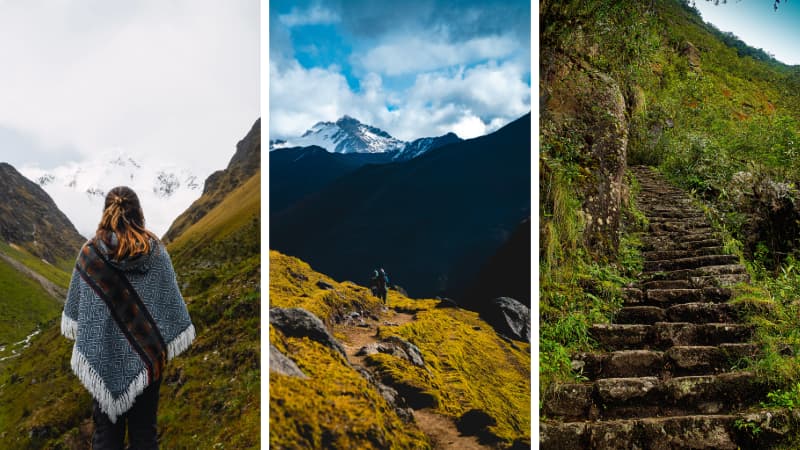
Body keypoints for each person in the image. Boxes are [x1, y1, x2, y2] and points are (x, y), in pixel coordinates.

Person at [61, 186, 195, 450]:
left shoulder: (90, 255)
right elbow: (170, 307)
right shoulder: (156, 252)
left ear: (106, 211)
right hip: (148, 358)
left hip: (102, 358)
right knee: (144, 432)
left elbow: (78, 312)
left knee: (106, 433)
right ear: (138, 212)